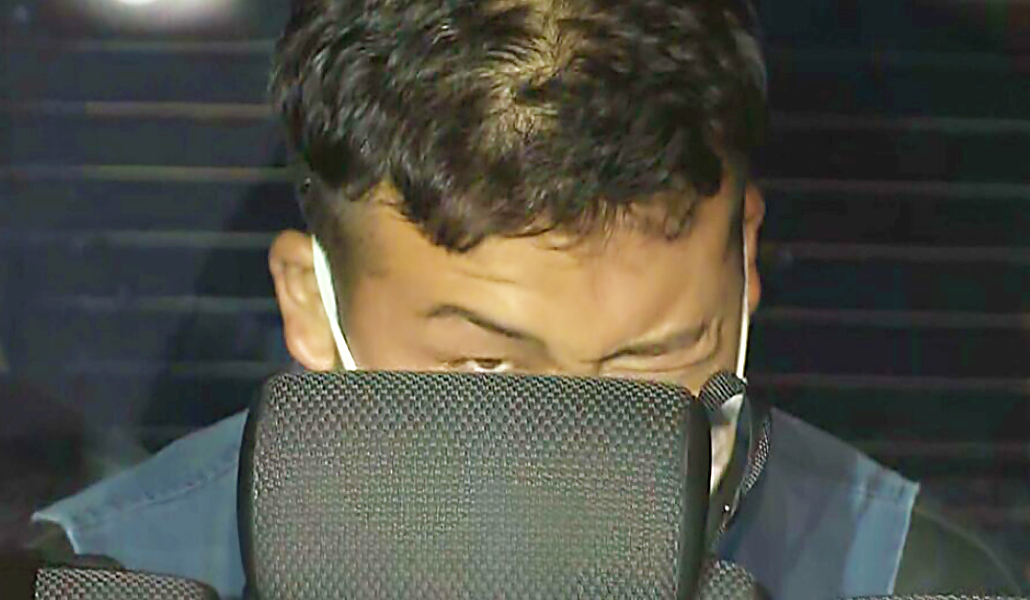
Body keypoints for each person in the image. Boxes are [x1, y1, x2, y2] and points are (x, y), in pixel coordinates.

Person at [25, 0, 1023, 598]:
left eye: (652, 359)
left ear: (746, 261)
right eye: (486, 368)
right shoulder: (111, 576)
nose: (582, 442)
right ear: (308, 303)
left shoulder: (900, 582)